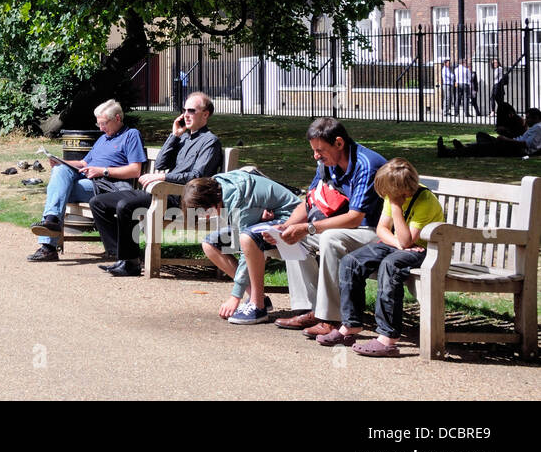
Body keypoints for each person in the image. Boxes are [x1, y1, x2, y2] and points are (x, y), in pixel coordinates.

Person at [270, 118, 387, 338]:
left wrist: (308, 228)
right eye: (314, 151)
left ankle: (331, 319)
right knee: (293, 238)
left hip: (377, 232)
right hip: (345, 229)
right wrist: (287, 226)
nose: (316, 156)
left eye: (320, 150)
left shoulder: (367, 164)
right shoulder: (326, 164)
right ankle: (310, 309)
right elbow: (310, 202)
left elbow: (355, 218)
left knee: (329, 239)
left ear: (339, 143)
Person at [85, 92, 223, 275]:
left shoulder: (210, 142)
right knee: (98, 203)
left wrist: (163, 178)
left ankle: (129, 262)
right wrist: (174, 136)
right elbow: (160, 164)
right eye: (184, 110)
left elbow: (198, 176)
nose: (185, 115)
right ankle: (122, 257)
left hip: (181, 198)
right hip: (162, 192)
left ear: (205, 114)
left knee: (125, 206)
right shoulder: (183, 138)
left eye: (192, 111)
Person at [325, 158, 446, 356]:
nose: (386, 197)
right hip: (398, 245)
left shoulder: (425, 201)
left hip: (427, 252)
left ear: (401, 191)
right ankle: (351, 325)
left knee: (391, 266)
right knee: (351, 261)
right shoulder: (394, 194)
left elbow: (409, 241)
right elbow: (382, 230)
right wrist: (398, 243)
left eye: (389, 195)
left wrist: (397, 209)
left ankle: (388, 337)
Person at [26, 99, 147, 262]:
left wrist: (102, 170)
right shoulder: (104, 138)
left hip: (109, 186)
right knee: (60, 170)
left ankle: (48, 244)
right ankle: (51, 222)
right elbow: (84, 163)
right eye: (99, 124)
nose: (101, 128)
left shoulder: (131, 135)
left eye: (104, 124)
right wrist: (61, 162)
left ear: (117, 118)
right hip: (89, 181)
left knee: (57, 190)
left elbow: (135, 170)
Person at [180, 167, 300, 323]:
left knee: (249, 239)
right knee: (210, 244)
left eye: (203, 212)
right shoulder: (219, 186)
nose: (204, 217)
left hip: (290, 223)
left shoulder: (239, 202)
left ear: (209, 204)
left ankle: (258, 307)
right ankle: (258, 297)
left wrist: (235, 296)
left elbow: (246, 249)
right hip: (265, 221)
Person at [437, 107, 541, 158]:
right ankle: (464, 148)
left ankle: (449, 152)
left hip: (517, 150)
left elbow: (526, 144)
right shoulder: (535, 127)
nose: (526, 120)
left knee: (484, 147)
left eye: (528, 118)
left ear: (536, 118)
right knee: (483, 137)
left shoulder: (537, 128)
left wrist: (506, 140)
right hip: (513, 144)